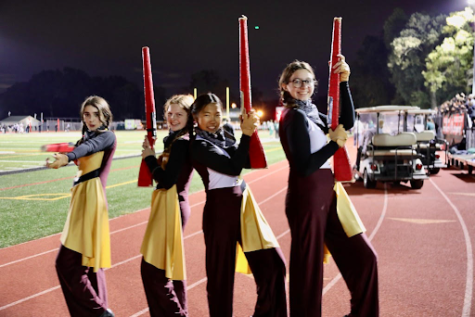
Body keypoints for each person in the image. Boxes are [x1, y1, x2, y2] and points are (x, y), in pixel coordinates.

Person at [278, 57, 379, 317]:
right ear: (286, 86)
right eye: (296, 81)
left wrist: (344, 82)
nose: (303, 86)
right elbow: (303, 166)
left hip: (328, 195)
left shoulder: (311, 112)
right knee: (308, 271)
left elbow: (346, 122)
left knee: (364, 257)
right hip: (306, 197)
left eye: (308, 81)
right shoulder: (293, 116)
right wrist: (334, 144)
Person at [190, 93, 287, 317]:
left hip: (244, 205)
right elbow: (233, 167)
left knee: (274, 266)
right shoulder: (197, 145)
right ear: (196, 117)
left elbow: (248, 161)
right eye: (206, 114)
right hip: (219, 211)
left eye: (217, 114)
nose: (213, 119)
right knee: (220, 281)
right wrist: (245, 135)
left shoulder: (225, 134)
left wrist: (250, 134)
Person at [46, 96, 116, 317]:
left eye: (96, 114)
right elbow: (84, 144)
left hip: (91, 201)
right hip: (83, 199)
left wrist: (67, 158)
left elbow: (89, 147)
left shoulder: (106, 136)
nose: (91, 119)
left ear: (105, 115)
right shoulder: (88, 135)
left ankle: (100, 313)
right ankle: (99, 310)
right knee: (89, 264)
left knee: (67, 263)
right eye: (87, 114)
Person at [139, 94, 195, 317]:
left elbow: (167, 180)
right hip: (168, 205)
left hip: (172, 205)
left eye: (179, 114)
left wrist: (150, 158)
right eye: (169, 113)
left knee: (154, 271)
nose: (172, 118)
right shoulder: (173, 139)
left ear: (190, 117)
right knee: (170, 269)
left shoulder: (182, 142)